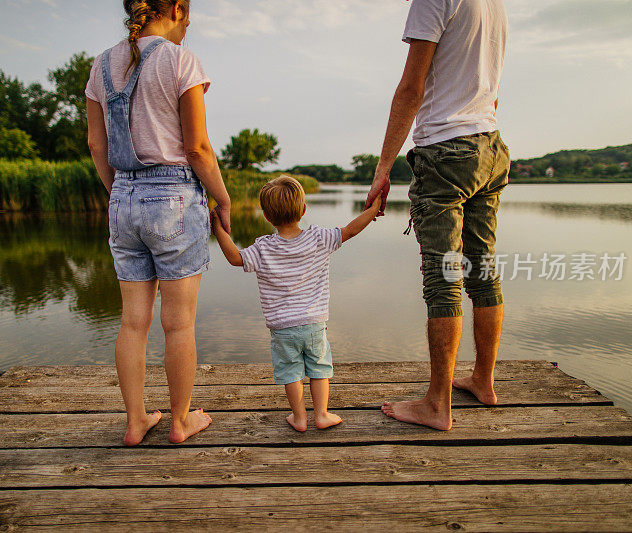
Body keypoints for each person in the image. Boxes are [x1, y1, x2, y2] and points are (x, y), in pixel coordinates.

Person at [86, 0, 231, 445]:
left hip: (123, 195)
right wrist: (221, 198)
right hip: (173, 196)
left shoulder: (101, 65)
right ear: (176, 8)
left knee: (133, 322)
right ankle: (180, 421)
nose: (188, 26)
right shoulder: (180, 60)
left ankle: (135, 422)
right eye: (188, 16)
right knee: (179, 323)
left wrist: (121, 195)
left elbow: (96, 143)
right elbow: (198, 148)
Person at [365, 0, 510, 431]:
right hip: (490, 145)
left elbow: (412, 87)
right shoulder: (494, 5)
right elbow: (493, 89)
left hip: (445, 150)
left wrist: (384, 167)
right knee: (483, 268)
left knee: (444, 275)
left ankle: (437, 404)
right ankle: (483, 380)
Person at [211, 176, 381, 432]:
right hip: (314, 324)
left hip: (282, 329)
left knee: (291, 372)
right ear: (303, 210)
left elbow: (235, 258)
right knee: (319, 368)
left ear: (266, 216)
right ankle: (321, 414)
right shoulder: (319, 238)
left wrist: (219, 230)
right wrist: (373, 208)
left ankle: (299, 418)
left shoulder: (263, 248)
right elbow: (352, 229)